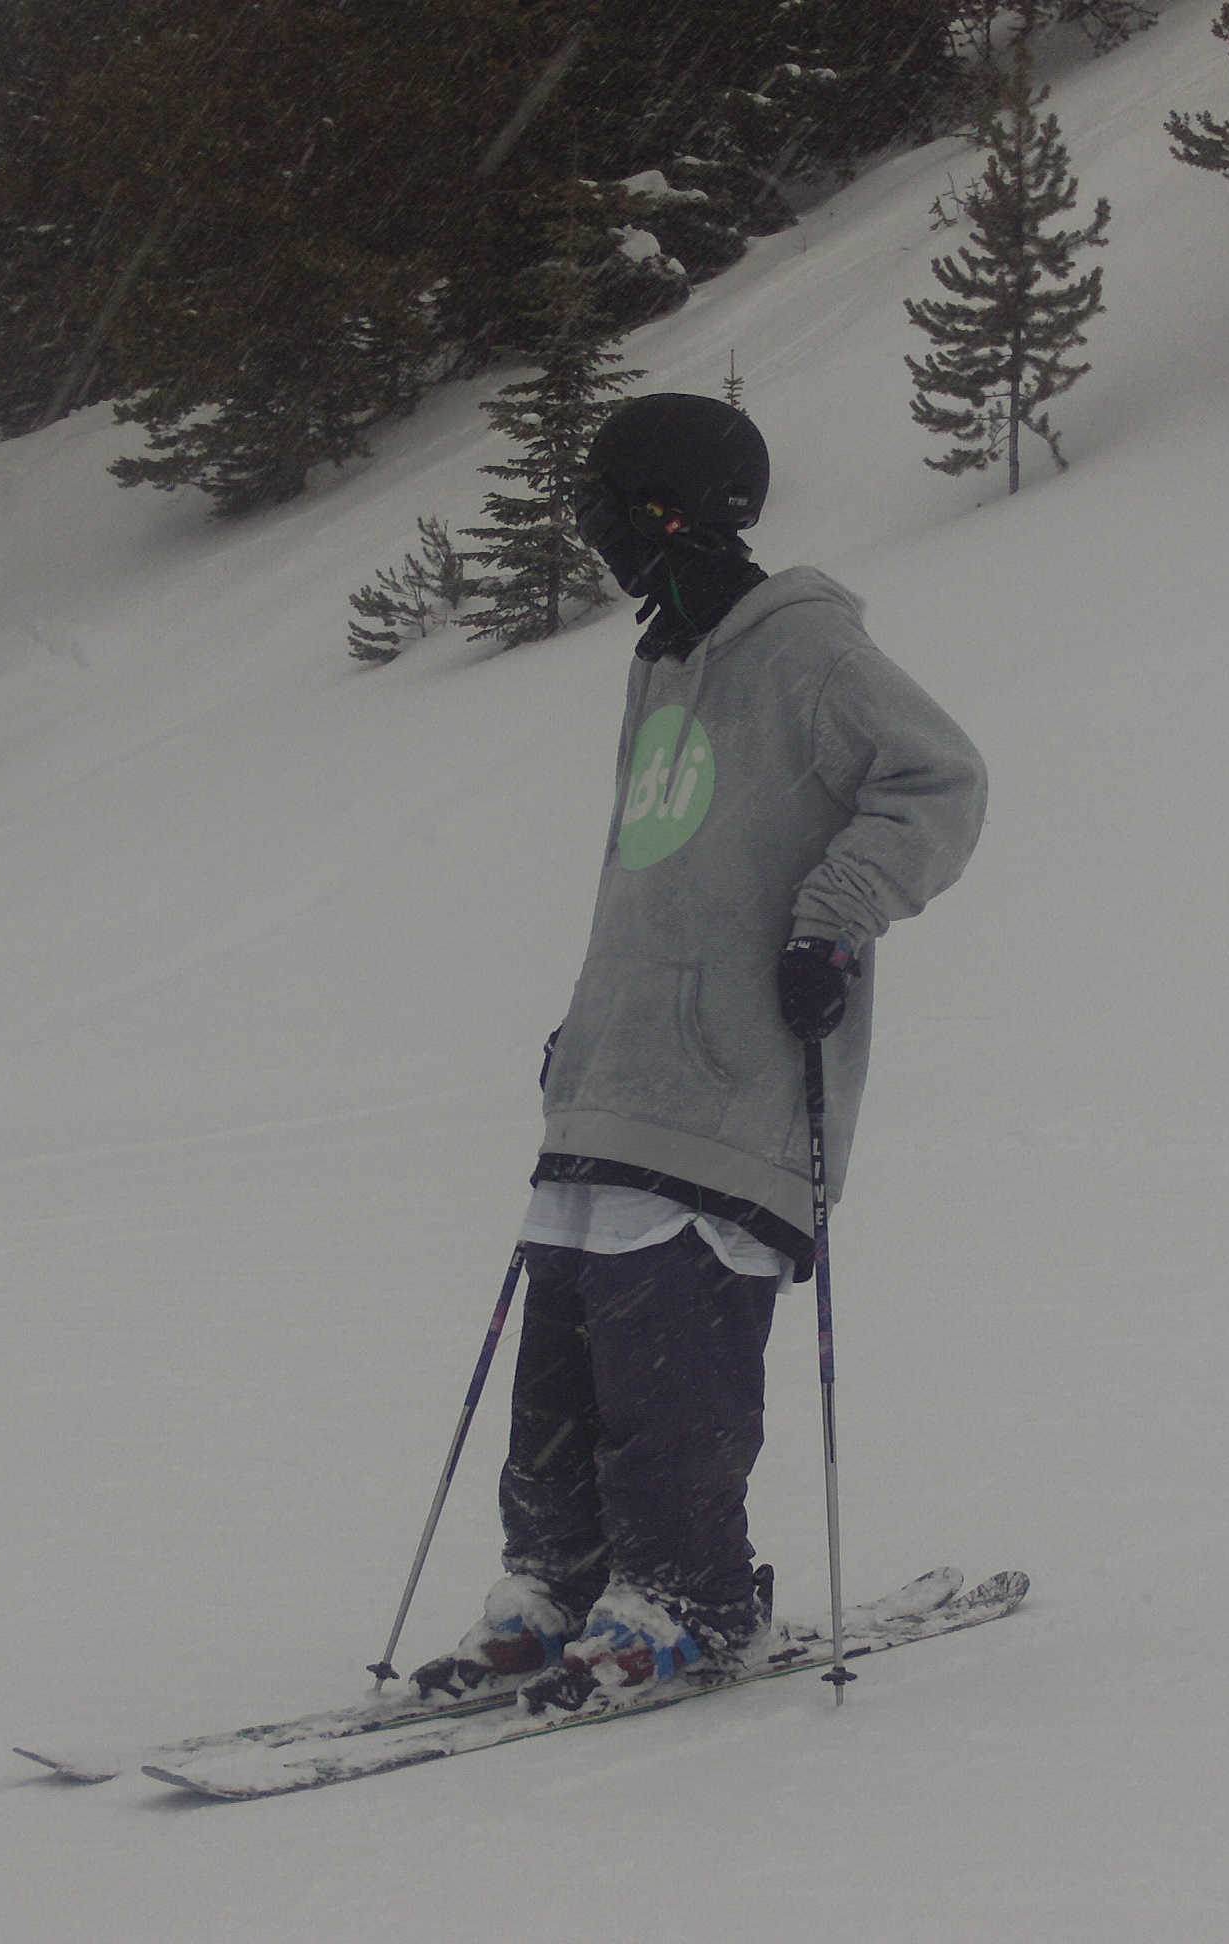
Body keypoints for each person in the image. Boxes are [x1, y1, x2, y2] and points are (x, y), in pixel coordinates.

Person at [412, 393, 987, 1715]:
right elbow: (649, 873)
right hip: (619, 1080)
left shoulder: (811, 654)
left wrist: (833, 926)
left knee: (669, 1354)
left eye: (606, 502)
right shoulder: (666, 660)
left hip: (733, 1082)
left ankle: (692, 1597)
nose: (591, 528)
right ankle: (559, 1582)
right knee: (560, 1349)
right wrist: (598, 1012)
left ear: (665, 507)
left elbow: (942, 782)